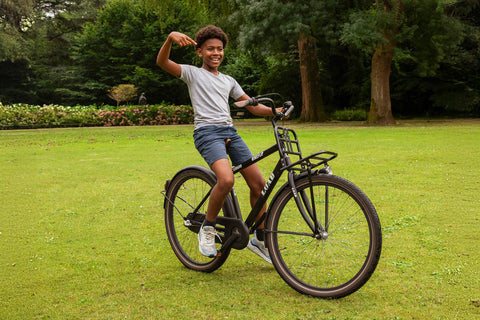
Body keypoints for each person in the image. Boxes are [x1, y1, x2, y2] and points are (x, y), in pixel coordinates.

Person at [157, 25, 278, 264]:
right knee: (226, 179)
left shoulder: (228, 80)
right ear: (200, 52)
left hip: (230, 132)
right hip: (207, 133)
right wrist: (170, 38)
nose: (216, 53)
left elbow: (250, 105)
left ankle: (260, 239)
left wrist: (275, 110)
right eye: (210, 49)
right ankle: (208, 228)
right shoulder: (192, 73)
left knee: (259, 185)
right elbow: (163, 62)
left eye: (220, 49)